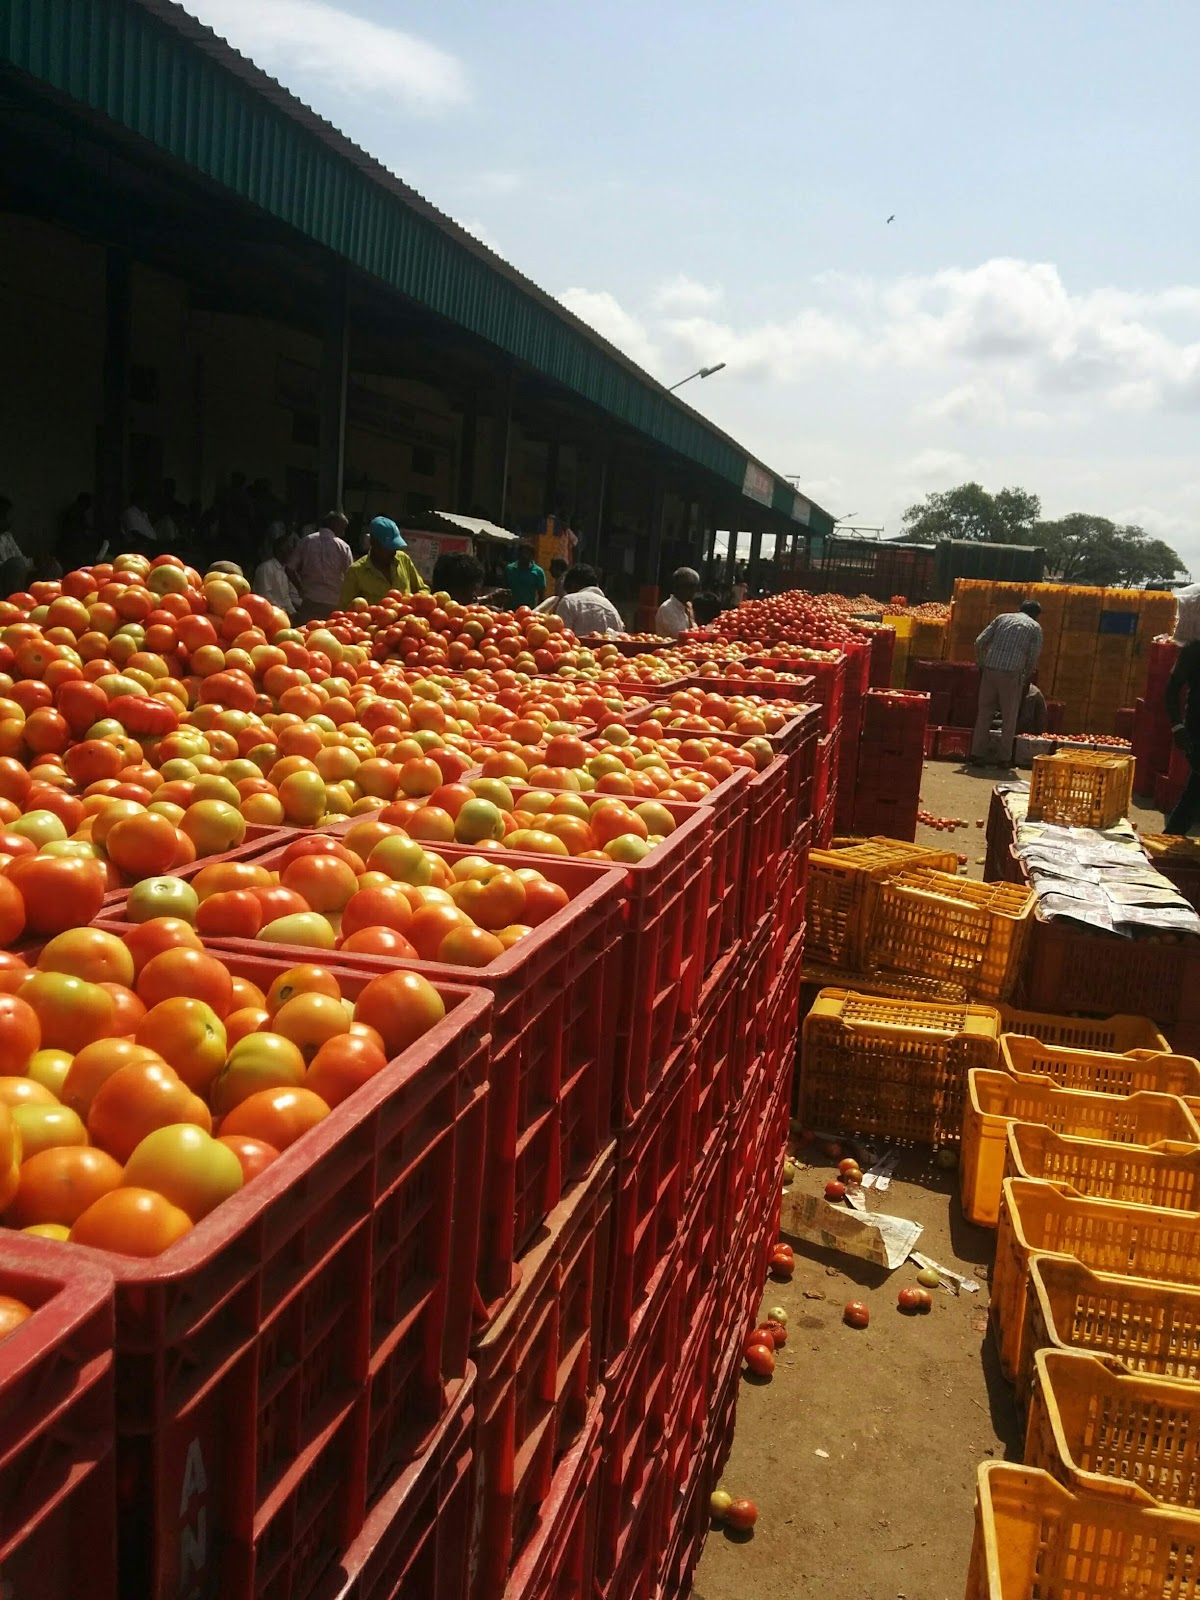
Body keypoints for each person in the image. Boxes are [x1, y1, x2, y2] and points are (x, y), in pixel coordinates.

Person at [970, 600, 1043, 767]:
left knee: (984, 713)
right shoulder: (1034, 628)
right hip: (1011, 674)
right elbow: (1033, 656)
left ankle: (977, 754)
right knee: (1009, 717)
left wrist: (982, 664)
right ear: (1036, 615)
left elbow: (979, 642)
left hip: (990, 670)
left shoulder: (1002, 618)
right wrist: (1025, 675)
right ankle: (1004, 758)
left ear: (1019, 609)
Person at [341, 516, 429, 606]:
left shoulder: (403, 559)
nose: (393, 551)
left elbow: (423, 589)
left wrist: (415, 600)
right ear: (373, 543)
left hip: (407, 619)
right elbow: (345, 610)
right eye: (388, 547)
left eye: (395, 546)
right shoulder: (356, 572)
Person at [290, 510, 353, 622]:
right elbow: (351, 577)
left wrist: (301, 589)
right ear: (335, 526)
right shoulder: (343, 547)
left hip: (310, 601)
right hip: (334, 603)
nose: (343, 533)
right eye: (342, 528)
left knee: (306, 635)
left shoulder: (306, 541)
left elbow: (289, 569)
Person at [1165, 641, 1200, 833]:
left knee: (1194, 792)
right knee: (1194, 791)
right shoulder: (1194, 651)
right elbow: (1172, 690)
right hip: (1197, 735)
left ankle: (1171, 836)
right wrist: (1178, 727)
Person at [540, 565, 624, 635]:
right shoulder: (612, 609)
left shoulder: (569, 601)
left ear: (573, 585)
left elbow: (559, 638)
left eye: (568, 590)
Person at [253, 532, 301, 617]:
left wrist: (293, 612)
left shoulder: (286, 570)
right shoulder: (266, 568)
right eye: (289, 550)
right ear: (280, 551)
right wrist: (282, 612)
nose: (292, 554)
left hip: (283, 615)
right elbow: (264, 595)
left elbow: (287, 597)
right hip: (268, 613)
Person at [655, 567, 700, 638]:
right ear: (677, 587)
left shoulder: (686, 607)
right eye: (689, 587)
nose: (693, 591)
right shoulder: (667, 608)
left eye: (694, 587)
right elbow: (682, 635)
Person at [506, 543, 546, 608]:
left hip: (528, 611)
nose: (524, 556)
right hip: (510, 610)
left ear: (532, 556)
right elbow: (504, 589)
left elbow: (541, 595)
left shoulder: (538, 572)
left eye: (527, 553)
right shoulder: (510, 569)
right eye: (522, 553)